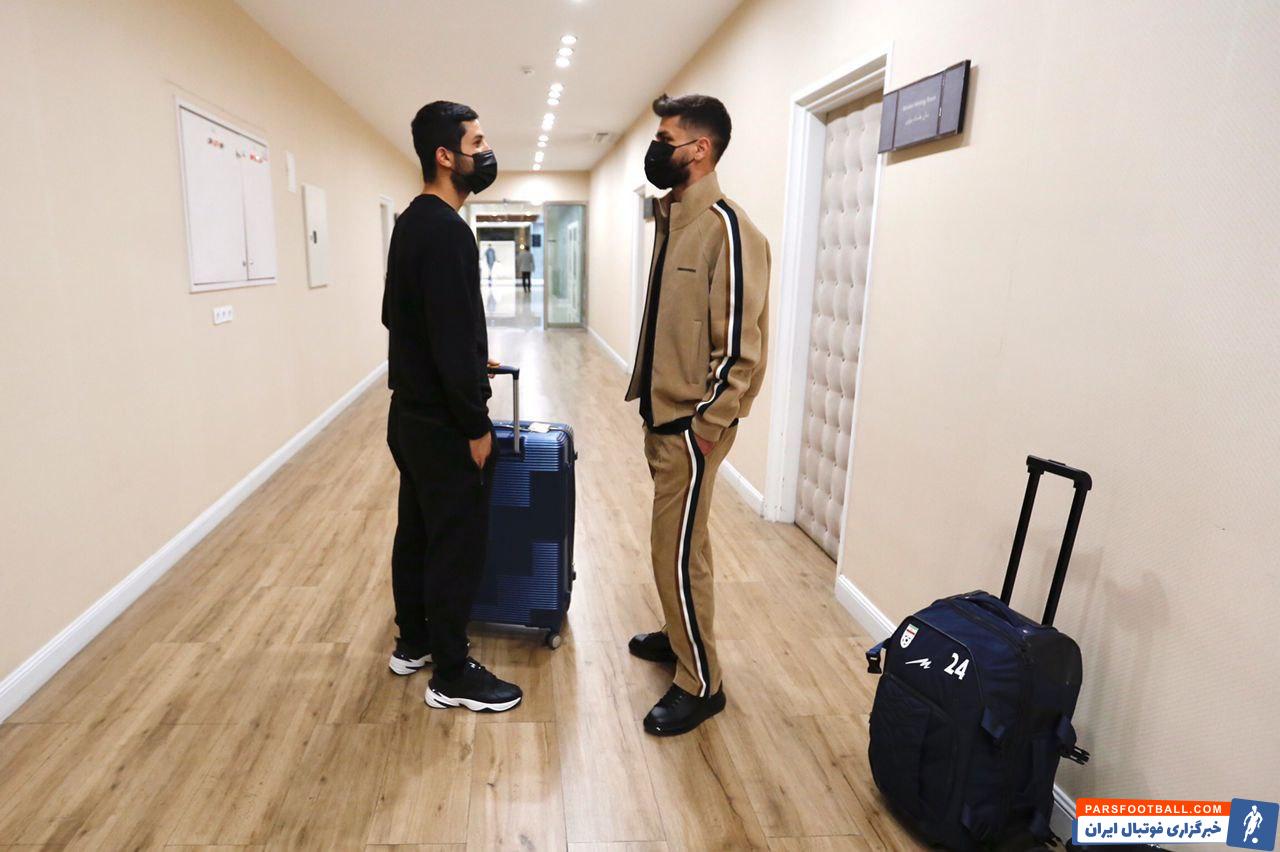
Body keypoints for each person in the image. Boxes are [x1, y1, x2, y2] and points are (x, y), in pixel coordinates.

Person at [624, 93, 770, 736]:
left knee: (677, 552)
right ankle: (676, 632)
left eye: (665, 139)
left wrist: (706, 427)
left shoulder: (727, 229)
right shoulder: (675, 218)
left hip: (691, 427)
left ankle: (701, 682)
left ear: (700, 149)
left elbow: (739, 347)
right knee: (682, 543)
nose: (657, 149)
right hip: (663, 417)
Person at [380, 100, 522, 713]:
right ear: (445, 155)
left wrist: (464, 357)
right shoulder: (448, 231)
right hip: (443, 423)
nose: (485, 152)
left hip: (409, 414)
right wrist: (474, 422)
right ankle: (452, 673)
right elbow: (447, 330)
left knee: (417, 530)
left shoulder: (411, 222)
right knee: (456, 542)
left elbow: (400, 317)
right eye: (477, 142)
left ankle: (413, 643)